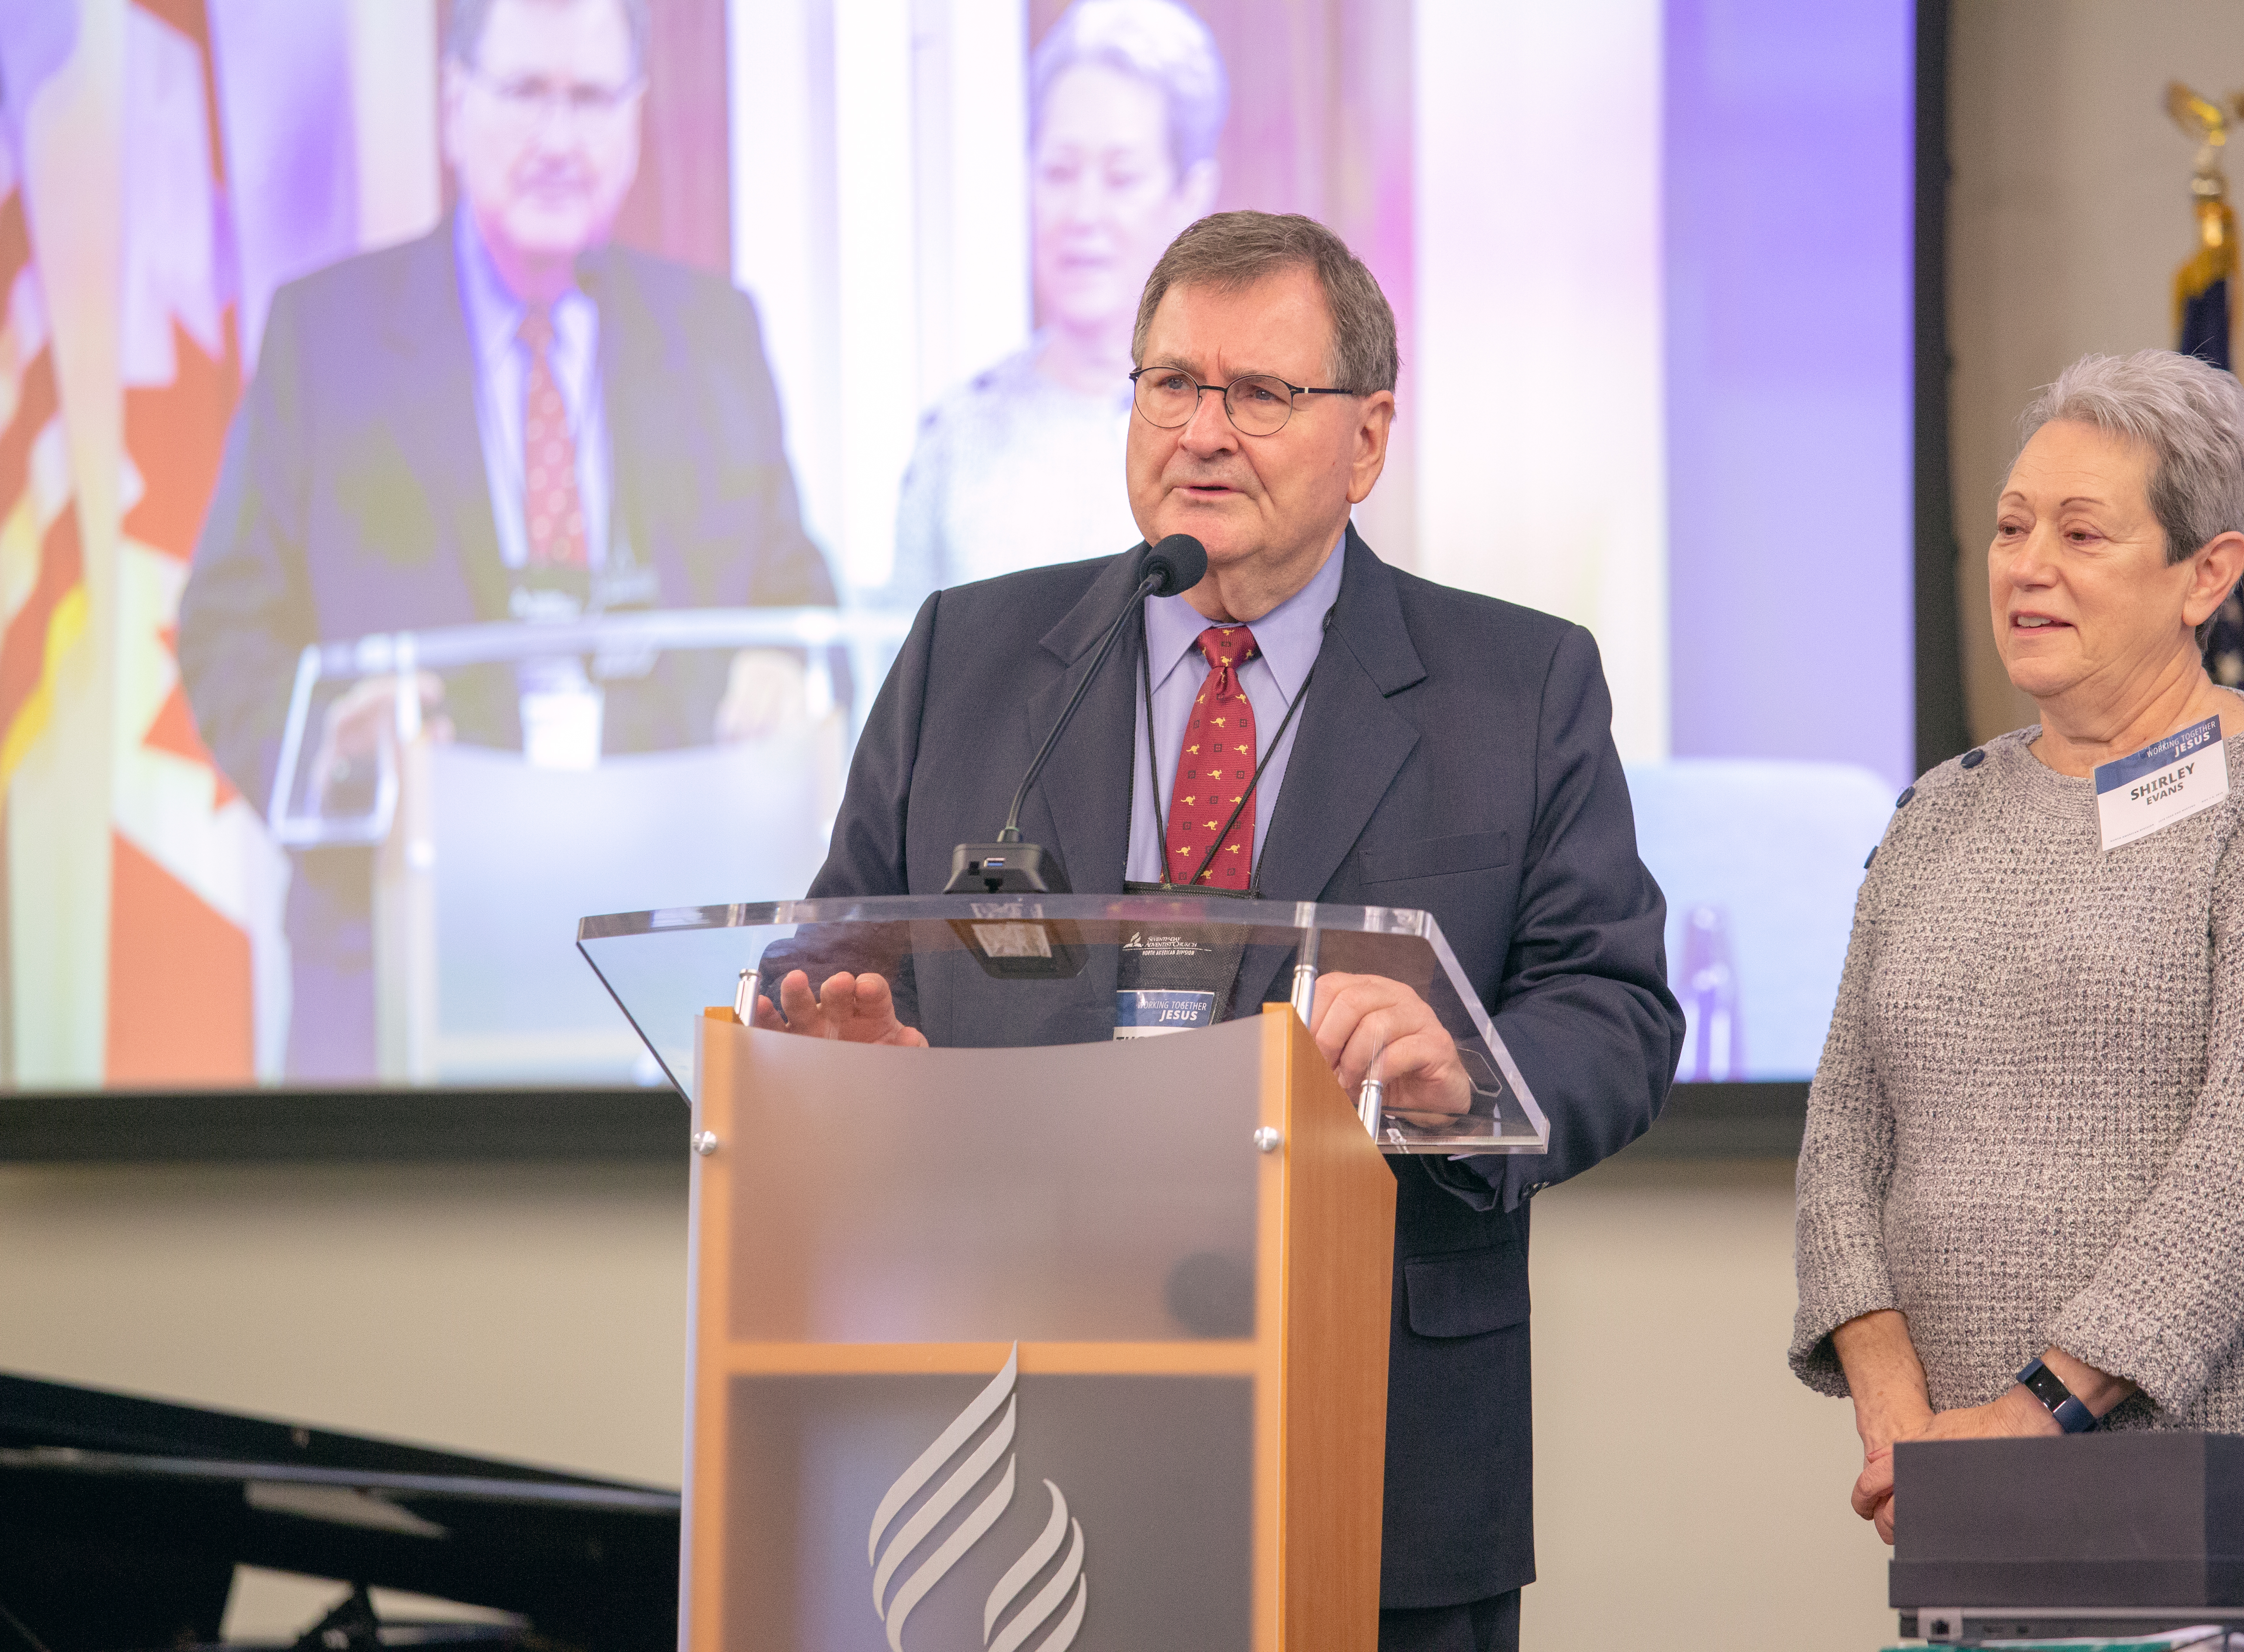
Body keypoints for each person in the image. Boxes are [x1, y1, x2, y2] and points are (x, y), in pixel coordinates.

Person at [766, 210, 1683, 1648]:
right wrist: (837, 1033)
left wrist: (1465, 1077)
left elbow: (1618, 1013)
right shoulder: (968, 654)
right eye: (1171, 384)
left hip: (1372, 1427)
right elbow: (838, 949)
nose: (1204, 430)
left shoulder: (1516, 689)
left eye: (1261, 395)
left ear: (1368, 439)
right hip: (1005, 1431)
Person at [1791, 350, 2244, 1562]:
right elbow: (1843, 1140)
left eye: (2082, 534)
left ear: (2207, 573)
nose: (2028, 566)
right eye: (2015, 526)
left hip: (2240, 1509)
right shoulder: (1935, 814)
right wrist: (1903, 1423)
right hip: (1965, 1507)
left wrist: (2037, 1409)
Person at [179, 0, 837, 1079]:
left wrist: (783, 661)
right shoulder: (328, 336)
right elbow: (225, 628)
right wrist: (333, 748)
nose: (559, 138)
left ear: (632, 122)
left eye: (589, 99)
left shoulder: (713, 333)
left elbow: (789, 583)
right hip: (402, 940)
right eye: (527, 92)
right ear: (454, 104)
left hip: (659, 947)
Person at [877, 0, 1222, 616]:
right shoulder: (958, 441)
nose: (1083, 213)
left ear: (1189, 196)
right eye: (1060, 171)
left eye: (1121, 178)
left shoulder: (1244, 430)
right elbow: (903, 685)